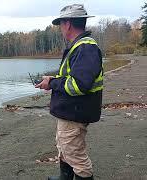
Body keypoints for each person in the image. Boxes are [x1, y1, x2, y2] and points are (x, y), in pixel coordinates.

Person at [35, 4, 103, 180]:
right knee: (64, 147)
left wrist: (53, 84)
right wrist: (52, 79)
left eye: (60, 24)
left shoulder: (85, 48)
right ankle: (65, 177)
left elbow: (78, 85)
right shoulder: (80, 46)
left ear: (68, 24)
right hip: (70, 111)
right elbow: (71, 77)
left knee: (76, 155)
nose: (60, 29)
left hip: (75, 112)